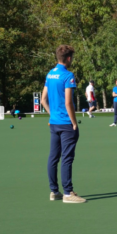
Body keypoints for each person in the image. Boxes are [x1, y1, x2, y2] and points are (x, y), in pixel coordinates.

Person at [41, 45, 86, 203]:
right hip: (66, 124)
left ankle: (54, 191)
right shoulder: (68, 75)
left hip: (54, 123)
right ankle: (68, 193)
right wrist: (74, 122)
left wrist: (52, 115)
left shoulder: (50, 74)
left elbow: (43, 100)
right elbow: (68, 103)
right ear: (68, 58)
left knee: (53, 157)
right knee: (67, 158)